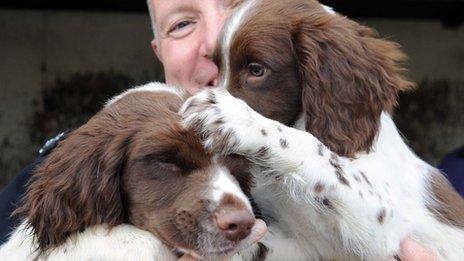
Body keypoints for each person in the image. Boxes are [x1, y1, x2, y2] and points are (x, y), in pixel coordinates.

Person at [0, 0, 438, 260]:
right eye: (182, 24)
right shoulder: (73, 167)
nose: (214, 43)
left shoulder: (376, 169)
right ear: (159, 51)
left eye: (234, 6)